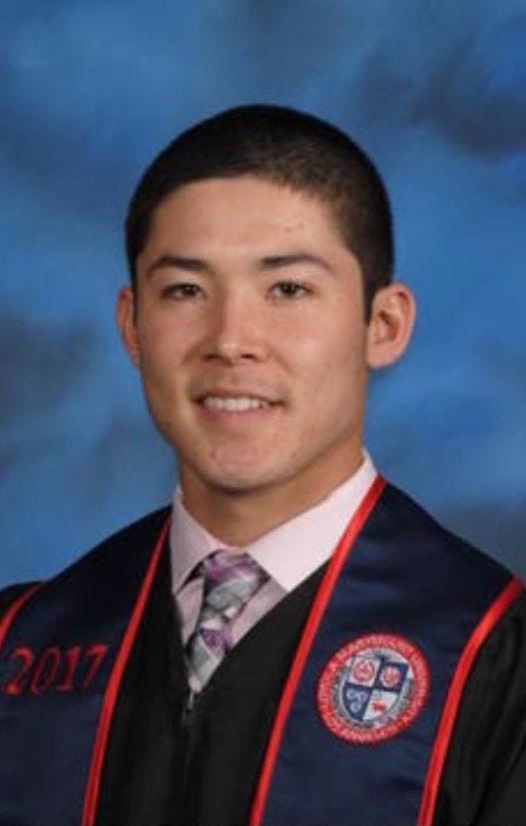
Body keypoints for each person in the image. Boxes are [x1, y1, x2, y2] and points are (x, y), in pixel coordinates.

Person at [0, 105, 524, 826]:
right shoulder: (25, 646)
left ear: (383, 325)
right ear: (132, 326)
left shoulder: (490, 655)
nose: (231, 340)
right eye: (186, 290)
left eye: (288, 290)